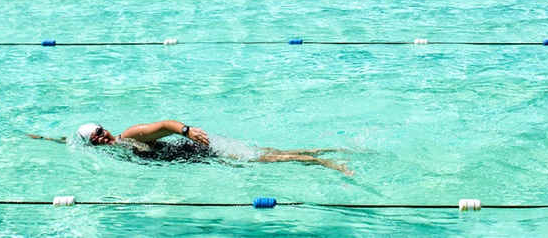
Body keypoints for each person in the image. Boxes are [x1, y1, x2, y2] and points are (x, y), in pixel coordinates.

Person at [28, 119, 352, 175]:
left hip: (205, 151)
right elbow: (71, 142)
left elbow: (164, 126)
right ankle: (329, 153)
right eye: (94, 138)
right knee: (268, 154)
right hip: (199, 159)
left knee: (265, 159)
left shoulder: (128, 137)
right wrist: (44, 140)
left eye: (100, 130)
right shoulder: (112, 149)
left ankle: (325, 162)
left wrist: (187, 130)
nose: (101, 137)